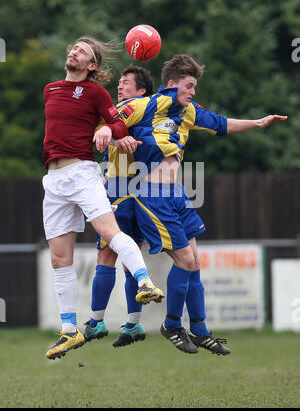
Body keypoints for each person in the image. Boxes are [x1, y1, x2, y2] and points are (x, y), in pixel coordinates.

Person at [94, 54, 287, 355]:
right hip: (151, 195)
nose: (193, 92)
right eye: (189, 86)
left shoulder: (189, 111)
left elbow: (222, 124)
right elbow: (109, 118)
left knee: (195, 263)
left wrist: (259, 122)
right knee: (184, 260)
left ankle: (200, 330)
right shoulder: (146, 105)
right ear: (171, 84)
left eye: (194, 86)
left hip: (178, 194)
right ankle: (171, 325)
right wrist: (106, 131)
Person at [42, 38, 164, 360]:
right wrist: (114, 134)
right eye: (72, 48)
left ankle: (145, 282)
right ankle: (69, 331)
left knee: (110, 234)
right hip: (54, 181)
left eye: (81, 51)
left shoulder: (95, 92)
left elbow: (119, 122)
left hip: (83, 173)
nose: (73, 52)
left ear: (92, 65)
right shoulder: (50, 90)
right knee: (59, 259)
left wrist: (111, 131)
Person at [84, 65, 155, 347]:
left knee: (106, 257)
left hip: (118, 190)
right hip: (138, 189)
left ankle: (96, 322)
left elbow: (112, 138)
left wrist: (109, 135)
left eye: (126, 83)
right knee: (131, 259)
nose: (119, 86)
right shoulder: (144, 113)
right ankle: (133, 325)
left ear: (142, 91)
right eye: (120, 83)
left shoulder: (129, 111)